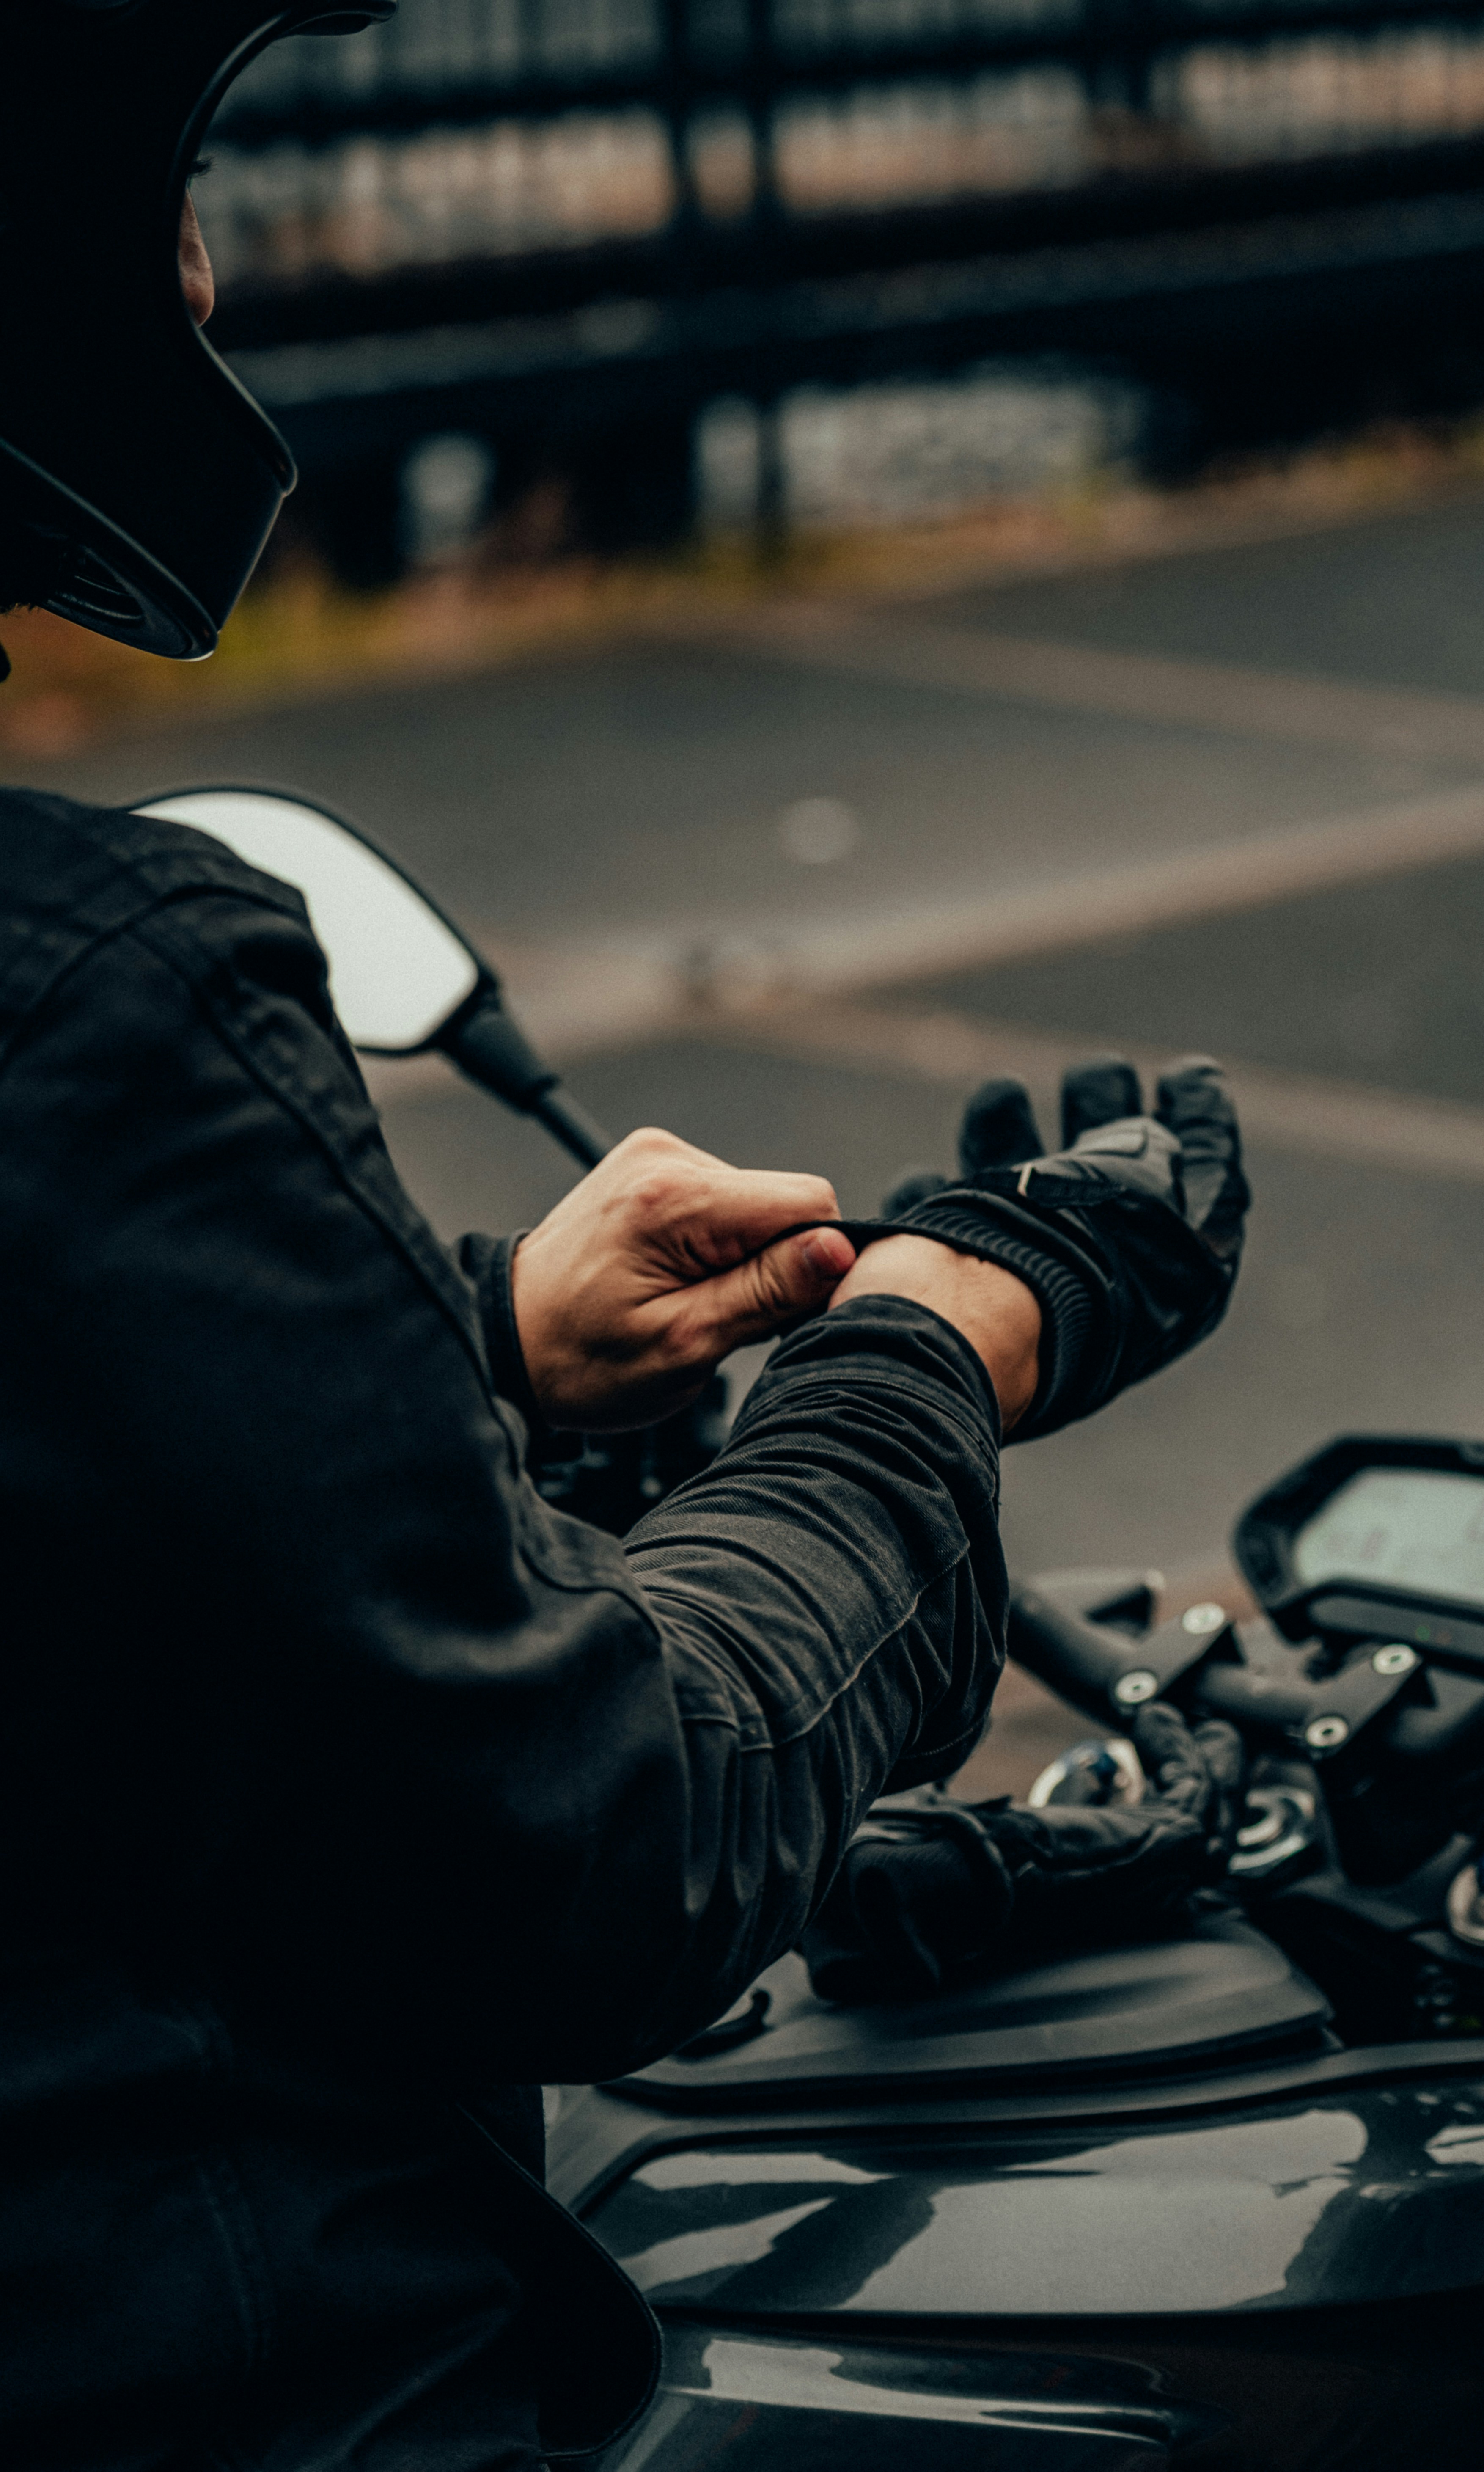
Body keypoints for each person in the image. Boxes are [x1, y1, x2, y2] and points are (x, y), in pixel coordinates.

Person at [0, 5, 1249, 2464]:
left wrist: (479, 1349)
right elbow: (588, 1848)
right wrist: (926, 1351)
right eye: (157, 179)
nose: (203, 272)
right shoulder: (99, 992)